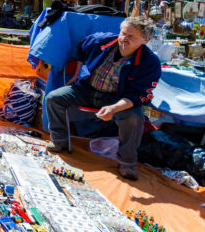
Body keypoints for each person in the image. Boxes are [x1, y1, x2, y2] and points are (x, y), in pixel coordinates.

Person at [45, 16, 161, 180]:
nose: (123, 38)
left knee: (135, 118)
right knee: (53, 98)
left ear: (146, 39)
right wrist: (78, 73)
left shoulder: (149, 62)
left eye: (131, 36)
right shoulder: (101, 41)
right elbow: (81, 49)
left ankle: (126, 163)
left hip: (117, 99)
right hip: (86, 89)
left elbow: (138, 95)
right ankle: (59, 142)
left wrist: (114, 108)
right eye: (123, 33)